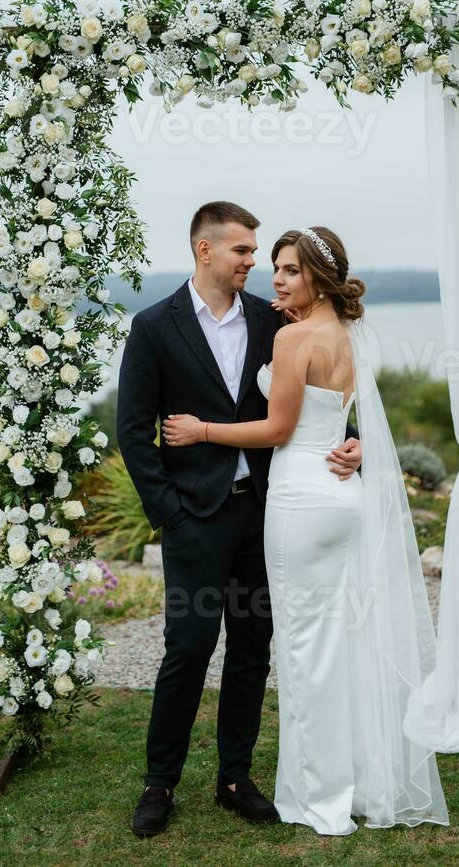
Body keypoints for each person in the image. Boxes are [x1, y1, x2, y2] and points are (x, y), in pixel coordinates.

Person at [164, 225, 449, 835]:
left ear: (317, 277)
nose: (277, 279)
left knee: (301, 652)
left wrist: (202, 430)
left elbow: (277, 430)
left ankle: (317, 796)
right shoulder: (347, 333)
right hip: (342, 495)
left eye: (291, 270)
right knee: (342, 646)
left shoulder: (294, 338)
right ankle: (361, 782)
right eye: (274, 267)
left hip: (298, 499)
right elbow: (354, 418)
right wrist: (357, 448)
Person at [116, 203, 362, 838]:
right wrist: (167, 510)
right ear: (205, 251)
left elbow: (316, 398)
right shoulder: (153, 326)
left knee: (252, 650)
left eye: (258, 254)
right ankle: (159, 782)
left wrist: (352, 441)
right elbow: (134, 428)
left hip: (266, 511)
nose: (254, 264)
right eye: (243, 252)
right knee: (189, 648)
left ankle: (235, 777)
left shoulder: (273, 320)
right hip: (193, 517)